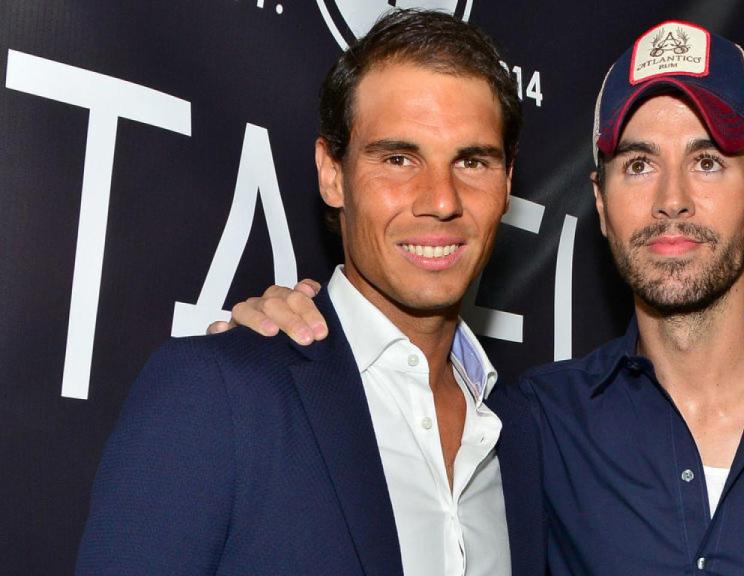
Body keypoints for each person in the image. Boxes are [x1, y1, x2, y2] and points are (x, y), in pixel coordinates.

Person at [219, 19, 744, 575]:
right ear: (602, 204)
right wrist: (282, 325)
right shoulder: (527, 427)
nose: (672, 200)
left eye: (708, 162)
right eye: (639, 165)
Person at [76, 9, 544, 576]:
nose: (441, 200)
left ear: (508, 182)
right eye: (398, 158)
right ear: (331, 172)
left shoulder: (520, 435)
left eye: (472, 161)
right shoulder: (217, 393)